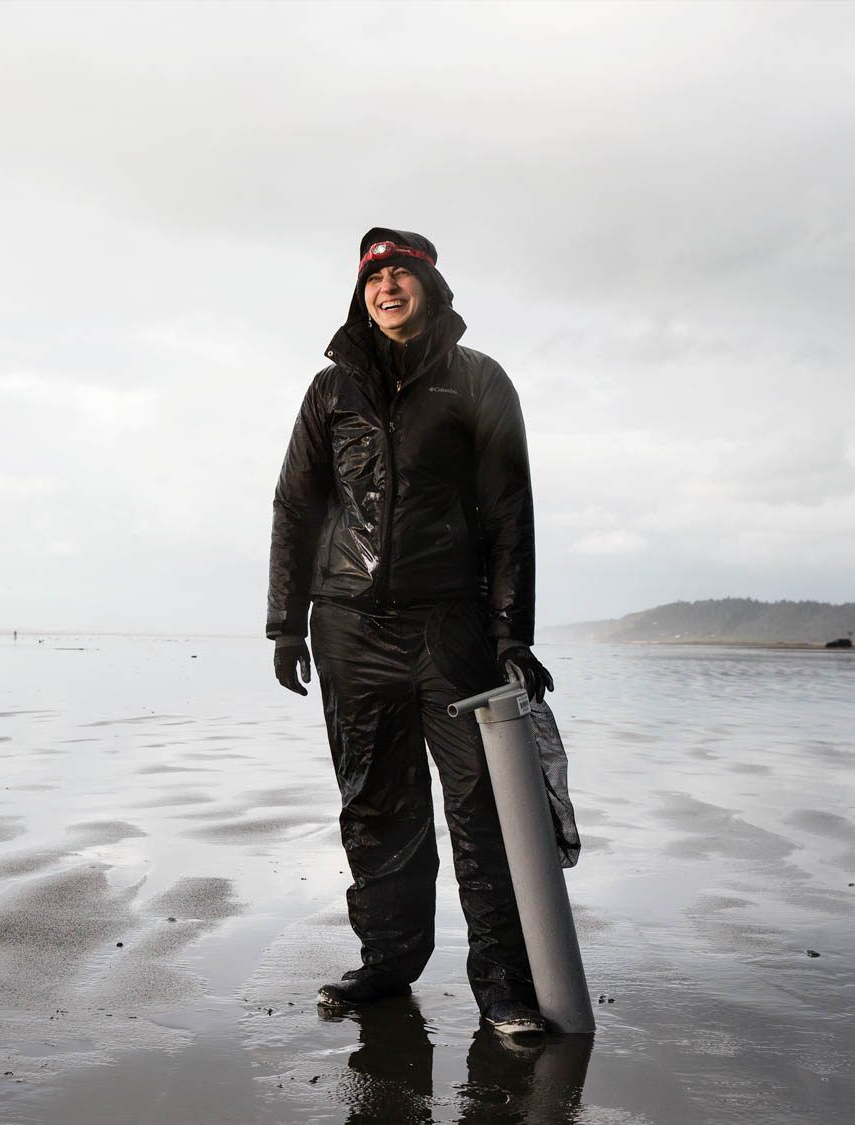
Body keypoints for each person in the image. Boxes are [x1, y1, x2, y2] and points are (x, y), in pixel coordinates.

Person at [266, 227, 554, 1036]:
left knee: (482, 804)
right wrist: (285, 622)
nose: (386, 287)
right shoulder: (330, 393)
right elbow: (296, 504)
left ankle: (504, 983)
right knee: (375, 801)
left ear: (432, 285)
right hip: (349, 625)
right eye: (373, 279)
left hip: (450, 625)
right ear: (361, 297)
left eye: (401, 274)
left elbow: (510, 513)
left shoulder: (479, 382)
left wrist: (509, 631)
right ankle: (388, 963)